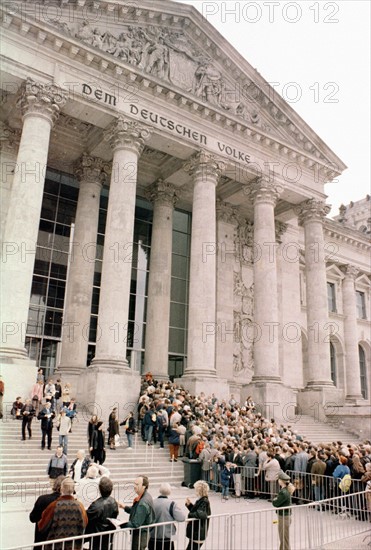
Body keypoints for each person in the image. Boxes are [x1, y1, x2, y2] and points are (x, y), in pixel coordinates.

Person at [38, 477, 87, 549]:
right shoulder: (80, 506)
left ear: (61, 489)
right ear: (73, 490)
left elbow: (42, 526)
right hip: (74, 546)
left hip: (55, 546)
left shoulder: (54, 506)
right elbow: (85, 523)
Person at [119, 475, 155, 550]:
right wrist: (124, 507)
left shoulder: (143, 503)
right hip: (142, 534)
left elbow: (136, 523)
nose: (134, 486)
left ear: (144, 486)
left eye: (137, 484)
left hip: (140, 535)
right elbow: (137, 511)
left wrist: (120, 524)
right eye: (134, 483)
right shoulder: (145, 497)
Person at [149, 483, 186, 550]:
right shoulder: (172, 504)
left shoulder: (152, 503)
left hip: (153, 536)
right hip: (167, 537)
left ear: (160, 490)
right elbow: (182, 518)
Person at [85, 477, 119, 550]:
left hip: (97, 537)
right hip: (108, 536)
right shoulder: (114, 502)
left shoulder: (96, 505)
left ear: (100, 489)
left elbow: (86, 517)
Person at [29, 475, 64, 543]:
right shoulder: (69, 503)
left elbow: (32, 518)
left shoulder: (42, 499)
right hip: (59, 543)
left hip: (42, 540)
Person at [185, 480, 211, 550]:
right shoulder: (201, 500)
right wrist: (189, 505)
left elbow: (201, 514)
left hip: (198, 532)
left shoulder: (204, 501)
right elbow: (198, 511)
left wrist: (190, 515)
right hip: (197, 532)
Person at [272, 471, 295, 550]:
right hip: (285, 516)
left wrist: (274, 500)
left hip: (283, 517)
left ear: (281, 481)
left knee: (284, 538)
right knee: (284, 538)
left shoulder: (283, 492)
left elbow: (275, 503)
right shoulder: (286, 490)